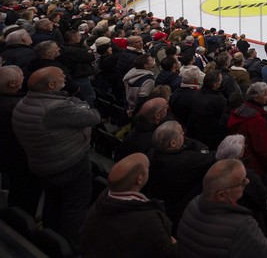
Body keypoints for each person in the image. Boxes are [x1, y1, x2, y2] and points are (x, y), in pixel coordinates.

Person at [13, 66, 101, 244]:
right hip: (68, 163)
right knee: (75, 206)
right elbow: (93, 116)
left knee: (52, 201)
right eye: (62, 77)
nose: (66, 78)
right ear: (51, 84)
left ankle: (50, 237)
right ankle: (71, 244)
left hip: (44, 162)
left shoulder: (23, 103)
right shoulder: (54, 109)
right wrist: (80, 104)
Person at [80, 153, 177, 258]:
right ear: (139, 179)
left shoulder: (102, 200)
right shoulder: (149, 220)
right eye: (148, 167)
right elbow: (169, 253)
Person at [177, 159, 267, 258]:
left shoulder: (193, 204)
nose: (248, 182)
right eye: (242, 182)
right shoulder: (242, 226)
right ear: (221, 195)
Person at [146, 121, 215, 228]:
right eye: (182, 134)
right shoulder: (185, 161)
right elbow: (212, 157)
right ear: (173, 143)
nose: (184, 135)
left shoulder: (152, 153)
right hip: (178, 208)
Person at [0, 65, 41, 216]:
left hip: (8, 156)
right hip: (18, 158)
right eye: (21, 77)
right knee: (24, 193)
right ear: (12, 84)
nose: (25, 79)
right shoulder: (21, 106)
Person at [226, 82, 267, 179]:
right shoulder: (256, 120)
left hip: (242, 160)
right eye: (265, 94)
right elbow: (262, 149)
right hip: (255, 167)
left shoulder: (238, 110)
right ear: (256, 97)